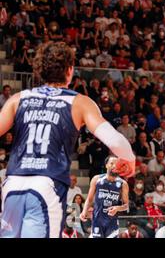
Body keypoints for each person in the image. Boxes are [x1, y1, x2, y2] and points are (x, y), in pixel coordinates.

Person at [0, 42, 135, 238]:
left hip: (13, 183)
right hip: (47, 184)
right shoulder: (79, 102)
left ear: (39, 70)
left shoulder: (18, 98)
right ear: (70, 70)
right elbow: (115, 141)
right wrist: (130, 160)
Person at [80, 156, 129, 238]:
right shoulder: (96, 179)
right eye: (112, 163)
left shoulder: (123, 184)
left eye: (116, 164)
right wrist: (84, 211)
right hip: (97, 220)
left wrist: (117, 208)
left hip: (112, 222)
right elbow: (89, 198)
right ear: (106, 165)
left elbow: (126, 206)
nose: (114, 166)